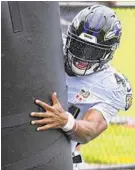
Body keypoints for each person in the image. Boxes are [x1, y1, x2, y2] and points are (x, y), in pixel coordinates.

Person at [30, 4, 132, 169]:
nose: (82, 57)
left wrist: (67, 121)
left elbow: (91, 129)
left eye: (93, 52)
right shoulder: (51, 48)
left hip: (58, 161)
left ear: (108, 53)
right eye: (79, 46)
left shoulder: (111, 85)